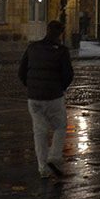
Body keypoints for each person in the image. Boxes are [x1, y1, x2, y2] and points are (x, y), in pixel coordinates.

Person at [18, 20, 74, 179]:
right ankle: (54, 156)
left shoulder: (33, 47)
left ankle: (43, 168)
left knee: (39, 132)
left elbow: (21, 71)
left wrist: (30, 86)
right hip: (53, 95)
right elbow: (68, 74)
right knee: (60, 126)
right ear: (61, 33)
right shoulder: (61, 51)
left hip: (34, 97)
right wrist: (60, 87)